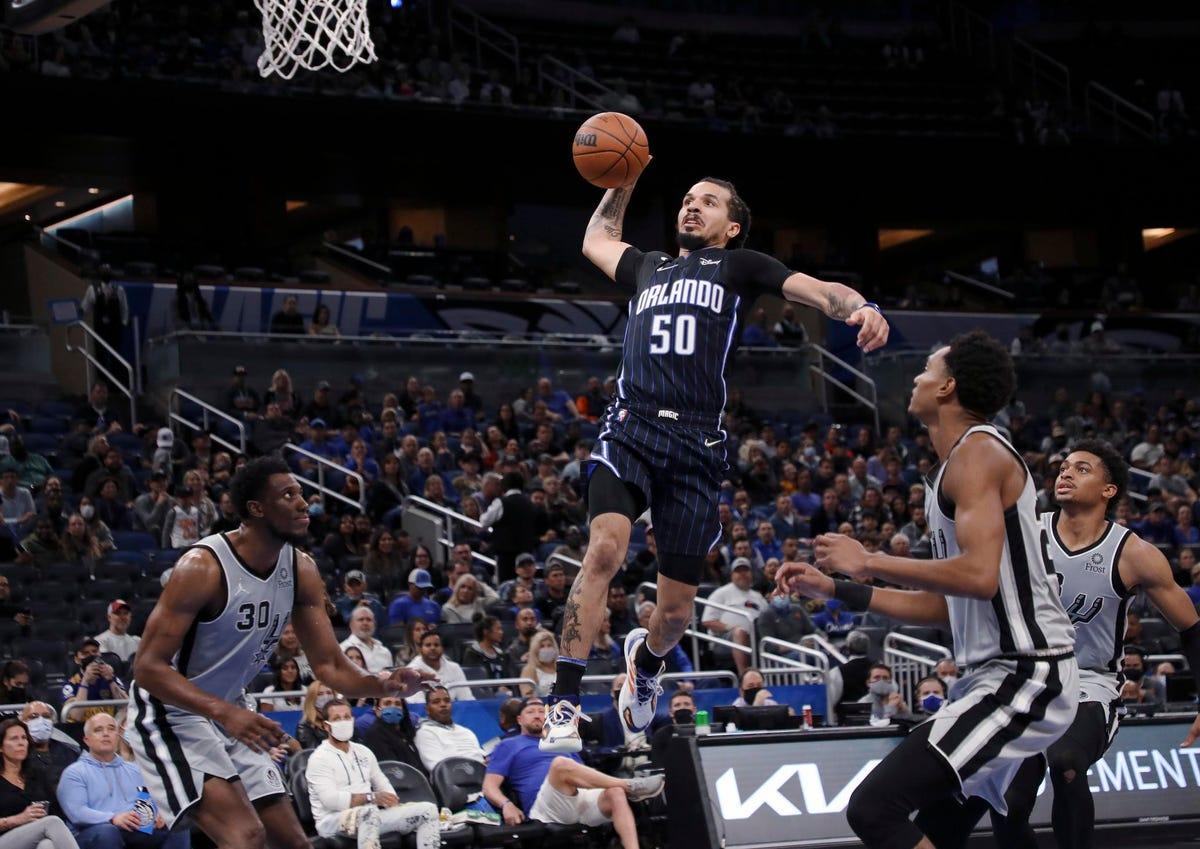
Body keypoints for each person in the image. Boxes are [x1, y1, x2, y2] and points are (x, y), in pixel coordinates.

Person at [541, 174, 889, 751]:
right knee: (604, 548)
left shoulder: (740, 266)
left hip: (696, 446)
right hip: (631, 427)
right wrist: (623, 181)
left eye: (708, 202)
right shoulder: (647, 266)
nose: (692, 207)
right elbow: (596, 238)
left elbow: (821, 291)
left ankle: (645, 668)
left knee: (674, 615)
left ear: (731, 227)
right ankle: (563, 700)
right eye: (686, 199)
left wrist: (862, 306)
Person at [778, 330, 1078, 849]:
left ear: (948, 388)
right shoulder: (956, 466)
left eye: (927, 369)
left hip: (1026, 674)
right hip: (999, 675)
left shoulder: (978, 455)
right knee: (938, 831)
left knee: (875, 809)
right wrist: (841, 589)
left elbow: (979, 577)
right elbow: (946, 605)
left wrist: (870, 560)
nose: (916, 377)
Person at [125, 457, 433, 846]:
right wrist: (225, 713)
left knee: (293, 842)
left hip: (231, 710)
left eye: (301, 493)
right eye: (288, 495)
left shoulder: (301, 568)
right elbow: (147, 668)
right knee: (246, 835)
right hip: (171, 712)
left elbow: (330, 665)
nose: (304, 503)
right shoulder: (202, 567)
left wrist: (385, 683)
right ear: (256, 509)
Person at [997, 440, 1200, 849]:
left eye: (1082, 469)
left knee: (1067, 763)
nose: (1066, 473)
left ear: (1109, 491)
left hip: (1090, 681)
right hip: (1028, 678)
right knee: (1008, 803)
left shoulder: (1133, 553)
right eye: (1064, 467)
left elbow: (1192, 629)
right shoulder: (1025, 534)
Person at [482, 698, 662, 848]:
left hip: (579, 799)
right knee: (560, 764)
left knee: (615, 793)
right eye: (531, 712)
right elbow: (489, 786)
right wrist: (506, 804)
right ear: (520, 719)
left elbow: (584, 777)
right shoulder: (509, 745)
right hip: (545, 807)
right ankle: (630, 785)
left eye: (541, 711)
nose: (537, 714)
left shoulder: (564, 743)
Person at [305, 699, 439, 849]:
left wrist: (390, 799)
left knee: (428, 810)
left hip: (370, 815)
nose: (343, 722)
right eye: (337, 719)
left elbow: (384, 786)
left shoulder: (363, 751)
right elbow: (330, 800)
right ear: (325, 726)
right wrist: (371, 798)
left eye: (347, 717)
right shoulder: (319, 758)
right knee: (368, 813)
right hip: (332, 821)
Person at [57, 713, 189, 849]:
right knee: (108, 832)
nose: (106, 734)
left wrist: (157, 815)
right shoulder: (74, 773)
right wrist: (113, 818)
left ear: (117, 735)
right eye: (98, 730)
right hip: (93, 831)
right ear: (87, 740)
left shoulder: (134, 770)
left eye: (111, 729)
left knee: (177, 824)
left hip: (134, 828)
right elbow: (77, 813)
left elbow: (146, 804)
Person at [0, 718, 79, 849]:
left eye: (24, 738)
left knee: (46, 845)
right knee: (51, 823)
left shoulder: (37, 775)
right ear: (1, 747)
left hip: (35, 836)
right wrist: (17, 819)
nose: (21, 743)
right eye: (14, 739)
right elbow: (53, 820)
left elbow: (55, 812)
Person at [700, 558, 767, 675]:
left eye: (745, 570)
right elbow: (707, 621)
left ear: (751, 574)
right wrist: (731, 627)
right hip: (724, 640)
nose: (742, 574)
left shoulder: (758, 597)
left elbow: (767, 618)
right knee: (739, 632)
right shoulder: (721, 593)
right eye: (738, 571)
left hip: (754, 638)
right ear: (732, 575)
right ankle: (744, 676)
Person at [479, 474, 539, 584]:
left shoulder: (502, 502)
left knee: (505, 584)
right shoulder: (529, 503)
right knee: (525, 583)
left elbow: (484, 521)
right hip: (526, 550)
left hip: (505, 552)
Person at [413, 687, 486, 772]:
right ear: (427, 709)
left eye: (447, 700)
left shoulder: (466, 731)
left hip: (482, 777)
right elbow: (437, 768)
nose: (443, 704)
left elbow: (481, 757)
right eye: (436, 702)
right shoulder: (424, 732)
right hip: (453, 781)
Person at [61, 640, 127, 725]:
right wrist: (85, 682)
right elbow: (76, 716)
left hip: (108, 727)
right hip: (80, 729)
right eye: (85, 653)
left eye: (94, 651)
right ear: (77, 659)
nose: (91, 655)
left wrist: (111, 680)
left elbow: (126, 706)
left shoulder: (112, 678)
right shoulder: (70, 685)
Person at [19, 703, 78, 790]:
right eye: (33, 717)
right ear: (22, 722)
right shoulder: (18, 755)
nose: (41, 721)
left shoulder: (68, 751)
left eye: (46, 716)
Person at [358, 696, 423, 774]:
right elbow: (392, 770)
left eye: (397, 704)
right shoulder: (375, 734)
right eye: (387, 703)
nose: (393, 707)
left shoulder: (404, 731)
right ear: (377, 709)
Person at [404, 632, 473, 704]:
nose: (432, 648)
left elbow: (467, 698)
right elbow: (418, 704)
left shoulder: (454, 668)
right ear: (420, 649)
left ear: (442, 648)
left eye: (436, 645)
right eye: (428, 645)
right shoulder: (412, 671)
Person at [338, 608, 392, 674]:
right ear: (351, 625)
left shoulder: (385, 652)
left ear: (374, 625)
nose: (365, 623)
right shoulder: (342, 649)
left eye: (369, 620)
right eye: (361, 619)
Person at [460, 616, 511, 683]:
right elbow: (473, 678)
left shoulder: (501, 655)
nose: (501, 632)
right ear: (486, 631)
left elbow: (508, 677)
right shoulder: (472, 653)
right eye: (498, 629)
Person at [296, 682, 335, 750]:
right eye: (320, 694)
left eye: (329, 693)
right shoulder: (304, 726)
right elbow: (313, 752)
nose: (325, 697)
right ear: (312, 699)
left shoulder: (341, 719)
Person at [520, 632, 559, 698]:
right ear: (535, 650)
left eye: (549, 645)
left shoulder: (561, 668)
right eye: (542, 646)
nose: (546, 649)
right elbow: (527, 696)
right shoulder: (529, 670)